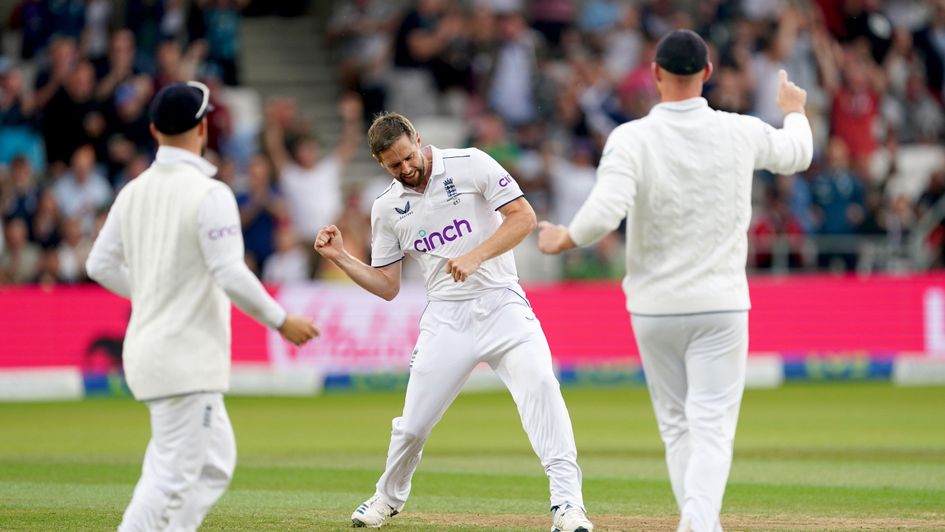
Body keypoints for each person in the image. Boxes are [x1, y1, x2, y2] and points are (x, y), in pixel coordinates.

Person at [538, 30, 813, 532]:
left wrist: (564, 238)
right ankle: (699, 524)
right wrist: (793, 107)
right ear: (707, 73)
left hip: (653, 308)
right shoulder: (739, 129)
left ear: (656, 74)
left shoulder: (631, 138)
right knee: (711, 428)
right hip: (721, 305)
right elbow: (797, 153)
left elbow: (604, 212)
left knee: (677, 427)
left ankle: (699, 523)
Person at [314, 112, 593, 532]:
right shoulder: (387, 208)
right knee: (413, 425)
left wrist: (477, 254)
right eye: (394, 165)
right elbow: (388, 286)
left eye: (409, 157)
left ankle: (568, 506)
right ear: (380, 163)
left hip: (502, 303)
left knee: (541, 387)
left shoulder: (471, 163)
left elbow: (523, 217)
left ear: (418, 139)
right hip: (446, 317)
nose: (406, 169)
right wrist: (342, 258)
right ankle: (386, 500)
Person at [85, 81, 320, 532]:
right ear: (203, 127)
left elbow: (99, 264)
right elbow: (230, 273)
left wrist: (152, 291)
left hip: (153, 353)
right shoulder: (209, 193)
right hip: (184, 357)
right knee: (170, 478)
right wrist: (281, 320)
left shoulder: (134, 190)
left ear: (154, 130)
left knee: (213, 465)